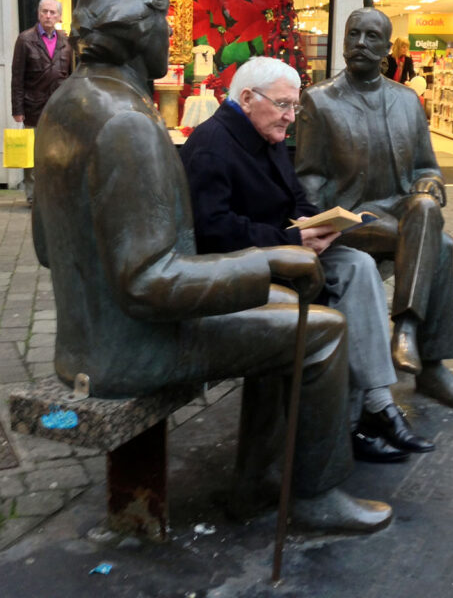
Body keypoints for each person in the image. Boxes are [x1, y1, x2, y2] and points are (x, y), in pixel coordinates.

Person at [32, 0, 391, 533]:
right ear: (137, 28)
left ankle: (258, 479)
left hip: (85, 339)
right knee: (320, 331)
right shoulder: (127, 121)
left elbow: (46, 248)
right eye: (163, 20)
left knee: (282, 314)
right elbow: (148, 283)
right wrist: (270, 260)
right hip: (136, 348)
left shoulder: (64, 105)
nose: (169, 33)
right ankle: (314, 492)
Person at [181, 57, 434, 464]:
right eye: (284, 105)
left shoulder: (265, 134)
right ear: (247, 98)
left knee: (358, 265)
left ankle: (377, 401)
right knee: (345, 292)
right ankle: (353, 422)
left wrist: (311, 221)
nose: (291, 117)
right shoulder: (212, 146)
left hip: (286, 253)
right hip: (243, 269)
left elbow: (293, 197)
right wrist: (290, 237)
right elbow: (212, 231)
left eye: (294, 106)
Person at [296, 7, 453, 411]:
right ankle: (428, 363)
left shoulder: (407, 101)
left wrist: (429, 184)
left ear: (387, 48)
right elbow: (309, 175)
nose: (360, 44)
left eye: (371, 37)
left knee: (425, 209)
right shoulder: (320, 100)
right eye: (353, 35)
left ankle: (406, 331)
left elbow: (427, 166)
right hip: (349, 217)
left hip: (398, 208)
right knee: (442, 246)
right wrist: (311, 225)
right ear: (344, 41)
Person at [10, 0, 72, 203]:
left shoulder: (66, 41)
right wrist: (17, 109)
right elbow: (17, 77)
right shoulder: (25, 40)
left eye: (52, 12)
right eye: (44, 11)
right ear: (38, 14)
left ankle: (53, 195)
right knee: (33, 155)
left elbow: (70, 76)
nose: (48, 15)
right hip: (33, 108)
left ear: (59, 16)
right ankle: (33, 197)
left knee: (57, 154)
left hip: (58, 109)